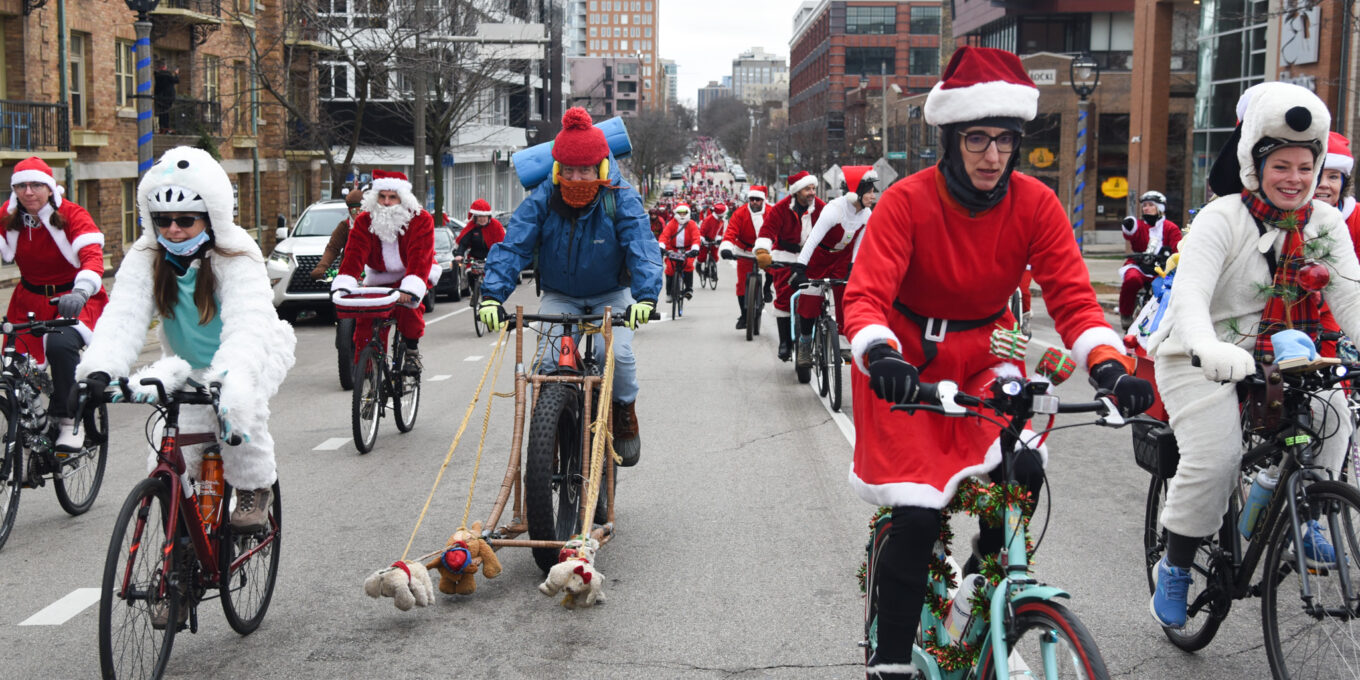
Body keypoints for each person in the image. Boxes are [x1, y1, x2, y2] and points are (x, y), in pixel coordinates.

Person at [840, 47, 1154, 678]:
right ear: (952, 139)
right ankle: (892, 661)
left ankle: (985, 586)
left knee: (1024, 460)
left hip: (988, 350)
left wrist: (1111, 368)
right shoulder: (906, 201)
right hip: (905, 362)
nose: (991, 155)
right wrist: (880, 353)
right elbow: (866, 294)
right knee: (918, 514)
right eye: (976, 138)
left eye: (1004, 141)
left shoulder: (1035, 204)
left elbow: (1072, 297)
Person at [1146, 82, 1360, 629]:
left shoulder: (1326, 224)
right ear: (1255, 163)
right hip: (1199, 353)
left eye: (1305, 167)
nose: (1294, 178)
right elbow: (1190, 296)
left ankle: (1309, 507)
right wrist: (1205, 345)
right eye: (1281, 165)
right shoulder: (1223, 218)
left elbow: (1350, 296)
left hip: (1285, 356)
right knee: (1214, 461)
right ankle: (1174, 563)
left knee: (1334, 413)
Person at [75, 146, 296, 531]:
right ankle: (180, 535)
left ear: (210, 217)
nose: (172, 229)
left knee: (240, 422)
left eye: (185, 219)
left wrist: (233, 382)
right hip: (187, 364)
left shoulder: (236, 252)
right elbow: (123, 316)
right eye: (162, 219)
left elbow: (249, 324)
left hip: (251, 353)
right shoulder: (146, 254)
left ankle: (254, 489)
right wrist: (100, 369)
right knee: (168, 451)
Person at [476, 107, 662, 466]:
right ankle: (553, 429)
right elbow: (513, 245)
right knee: (547, 363)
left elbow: (642, 246)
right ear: (558, 169)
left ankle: (624, 410)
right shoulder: (543, 199)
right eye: (570, 170)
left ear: (601, 168)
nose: (578, 178)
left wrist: (646, 296)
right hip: (562, 296)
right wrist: (490, 296)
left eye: (586, 170)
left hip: (612, 294)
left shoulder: (620, 197)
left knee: (619, 355)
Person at [2, 157, 108, 454]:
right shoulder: (8, 217)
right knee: (13, 366)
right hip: (27, 300)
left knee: (60, 347)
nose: (29, 192)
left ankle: (68, 419)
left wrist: (82, 290)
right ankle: (30, 428)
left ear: (50, 188)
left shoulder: (72, 215)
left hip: (71, 300)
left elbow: (92, 256)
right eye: (21, 186)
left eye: (36, 185)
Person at [330, 169, 438, 375]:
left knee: (408, 310)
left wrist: (411, 288)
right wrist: (344, 284)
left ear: (402, 198)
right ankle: (368, 371)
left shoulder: (420, 219)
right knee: (365, 318)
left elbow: (419, 256)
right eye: (382, 196)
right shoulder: (364, 220)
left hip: (413, 273)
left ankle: (412, 352)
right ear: (375, 197)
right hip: (379, 276)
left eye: (392, 197)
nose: (387, 202)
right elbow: (354, 254)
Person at [788, 166, 878, 370]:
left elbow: (858, 245)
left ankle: (844, 344)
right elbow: (812, 241)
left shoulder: (866, 214)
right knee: (810, 303)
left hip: (842, 260)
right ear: (857, 190)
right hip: (819, 258)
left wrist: (853, 267)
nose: (873, 195)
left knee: (848, 300)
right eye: (870, 190)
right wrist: (801, 267)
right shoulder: (833, 210)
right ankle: (804, 344)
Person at [755, 171, 827, 361]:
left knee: (813, 297)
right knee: (784, 298)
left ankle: (806, 339)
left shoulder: (820, 207)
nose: (812, 192)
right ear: (796, 192)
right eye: (807, 189)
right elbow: (767, 230)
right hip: (785, 255)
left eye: (813, 188)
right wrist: (762, 251)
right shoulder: (780, 208)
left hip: (811, 257)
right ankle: (785, 342)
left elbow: (834, 228)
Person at [1118, 190, 1182, 330]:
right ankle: (1126, 314)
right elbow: (1131, 232)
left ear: (1159, 208)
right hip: (1140, 265)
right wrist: (1128, 225)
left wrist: (1168, 255)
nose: (1145, 208)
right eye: (1144, 205)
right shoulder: (1140, 225)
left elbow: (1177, 248)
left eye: (1150, 205)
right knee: (1131, 279)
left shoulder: (1170, 227)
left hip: (1162, 268)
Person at [719, 186, 772, 330]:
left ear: (763, 200)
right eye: (752, 199)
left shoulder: (771, 212)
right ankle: (744, 315)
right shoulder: (740, 213)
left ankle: (767, 289)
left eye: (758, 200)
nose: (754, 202)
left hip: (766, 250)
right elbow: (731, 231)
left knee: (773, 270)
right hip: (744, 251)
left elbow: (778, 231)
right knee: (742, 284)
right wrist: (726, 248)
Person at [309, 187, 365, 280]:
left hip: (371, 273)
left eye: (361, 210)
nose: (358, 214)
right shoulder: (344, 226)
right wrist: (321, 267)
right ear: (349, 211)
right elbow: (332, 248)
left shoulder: (375, 225)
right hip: (348, 274)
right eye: (354, 211)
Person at [658, 203, 700, 301]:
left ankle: (689, 289)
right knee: (670, 268)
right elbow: (664, 236)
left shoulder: (692, 224)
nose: (682, 215)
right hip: (673, 249)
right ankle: (669, 292)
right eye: (679, 213)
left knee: (688, 265)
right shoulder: (671, 224)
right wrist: (661, 247)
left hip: (687, 250)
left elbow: (696, 237)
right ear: (676, 213)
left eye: (684, 213)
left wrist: (694, 249)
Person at [153, 60, 180, 134]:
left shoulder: (157, 75)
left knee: (161, 112)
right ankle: (166, 127)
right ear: (165, 66)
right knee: (166, 113)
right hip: (168, 97)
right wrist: (176, 74)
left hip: (159, 96)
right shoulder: (167, 75)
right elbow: (176, 81)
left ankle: (161, 127)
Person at [698, 201, 726, 272]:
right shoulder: (708, 220)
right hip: (706, 240)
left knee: (715, 256)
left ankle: (713, 268)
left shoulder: (721, 221)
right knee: (702, 256)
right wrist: (702, 239)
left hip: (714, 240)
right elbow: (702, 231)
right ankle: (698, 265)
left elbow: (720, 231)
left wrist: (719, 239)